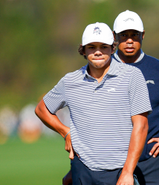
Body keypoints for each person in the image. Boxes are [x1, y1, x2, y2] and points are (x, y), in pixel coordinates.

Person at [63, 10, 159, 185]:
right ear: (114, 37)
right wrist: (77, 164)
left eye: (135, 35)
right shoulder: (97, 70)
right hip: (108, 165)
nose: (130, 40)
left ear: (143, 35)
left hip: (152, 162)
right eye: (124, 35)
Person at [35, 22, 151, 185]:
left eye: (104, 46)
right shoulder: (70, 81)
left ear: (113, 48)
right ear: (83, 50)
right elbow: (42, 109)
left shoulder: (132, 76)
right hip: (82, 170)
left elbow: (141, 126)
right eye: (92, 47)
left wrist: (127, 172)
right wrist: (65, 132)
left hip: (120, 170)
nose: (98, 52)